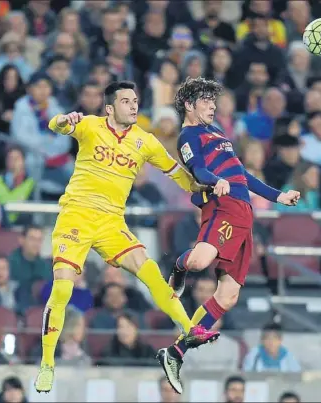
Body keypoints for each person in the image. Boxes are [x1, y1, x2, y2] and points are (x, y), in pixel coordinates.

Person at [34, 80, 219, 393]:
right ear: (110, 108)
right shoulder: (90, 126)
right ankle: (47, 363)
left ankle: (189, 329)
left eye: (135, 100)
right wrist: (65, 120)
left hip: (111, 223)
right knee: (63, 288)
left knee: (150, 273)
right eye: (126, 101)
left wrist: (201, 188)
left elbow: (174, 171)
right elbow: (56, 125)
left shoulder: (144, 141)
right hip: (75, 216)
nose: (133, 106)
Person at [157, 77, 300, 394]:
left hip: (244, 217)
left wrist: (279, 196)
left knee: (228, 296)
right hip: (222, 210)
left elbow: (243, 175)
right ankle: (179, 267)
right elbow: (197, 170)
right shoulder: (188, 135)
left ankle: (176, 352)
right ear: (190, 104)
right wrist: (213, 181)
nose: (212, 105)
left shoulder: (218, 133)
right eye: (206, 101)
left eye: (213, 101)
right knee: (200, 261)